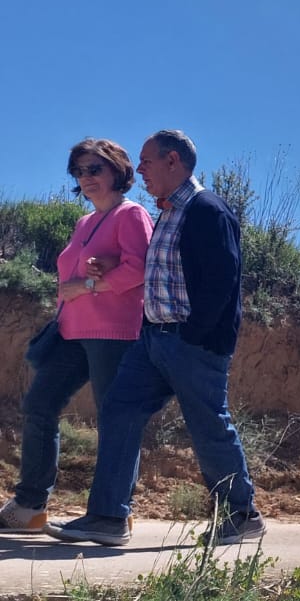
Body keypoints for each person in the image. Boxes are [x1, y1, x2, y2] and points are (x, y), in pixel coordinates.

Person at [49, 130, 261, 547]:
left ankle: (242, 514)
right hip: (153, 339)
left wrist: (195, 337)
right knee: (119, 410)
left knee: (207, 426)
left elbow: (223, 284)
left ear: (173, 161)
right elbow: (158, 270)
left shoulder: (207, 210)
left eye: (146, 161)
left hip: (190, 342)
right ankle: (108, 517)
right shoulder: (167, 211)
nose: (140, 170)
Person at [1, 140, 153, 534]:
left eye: (94, 169)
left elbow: (140, 270)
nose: (86, 178)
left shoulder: (132, 214)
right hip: (71, 333)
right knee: (39, 405)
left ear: (117, 171)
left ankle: (112, 514)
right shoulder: (85, 222)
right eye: (79, 171)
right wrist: (94, 274)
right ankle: (30, 505)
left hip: (114, 334)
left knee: (114, 420)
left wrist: (87, 285)